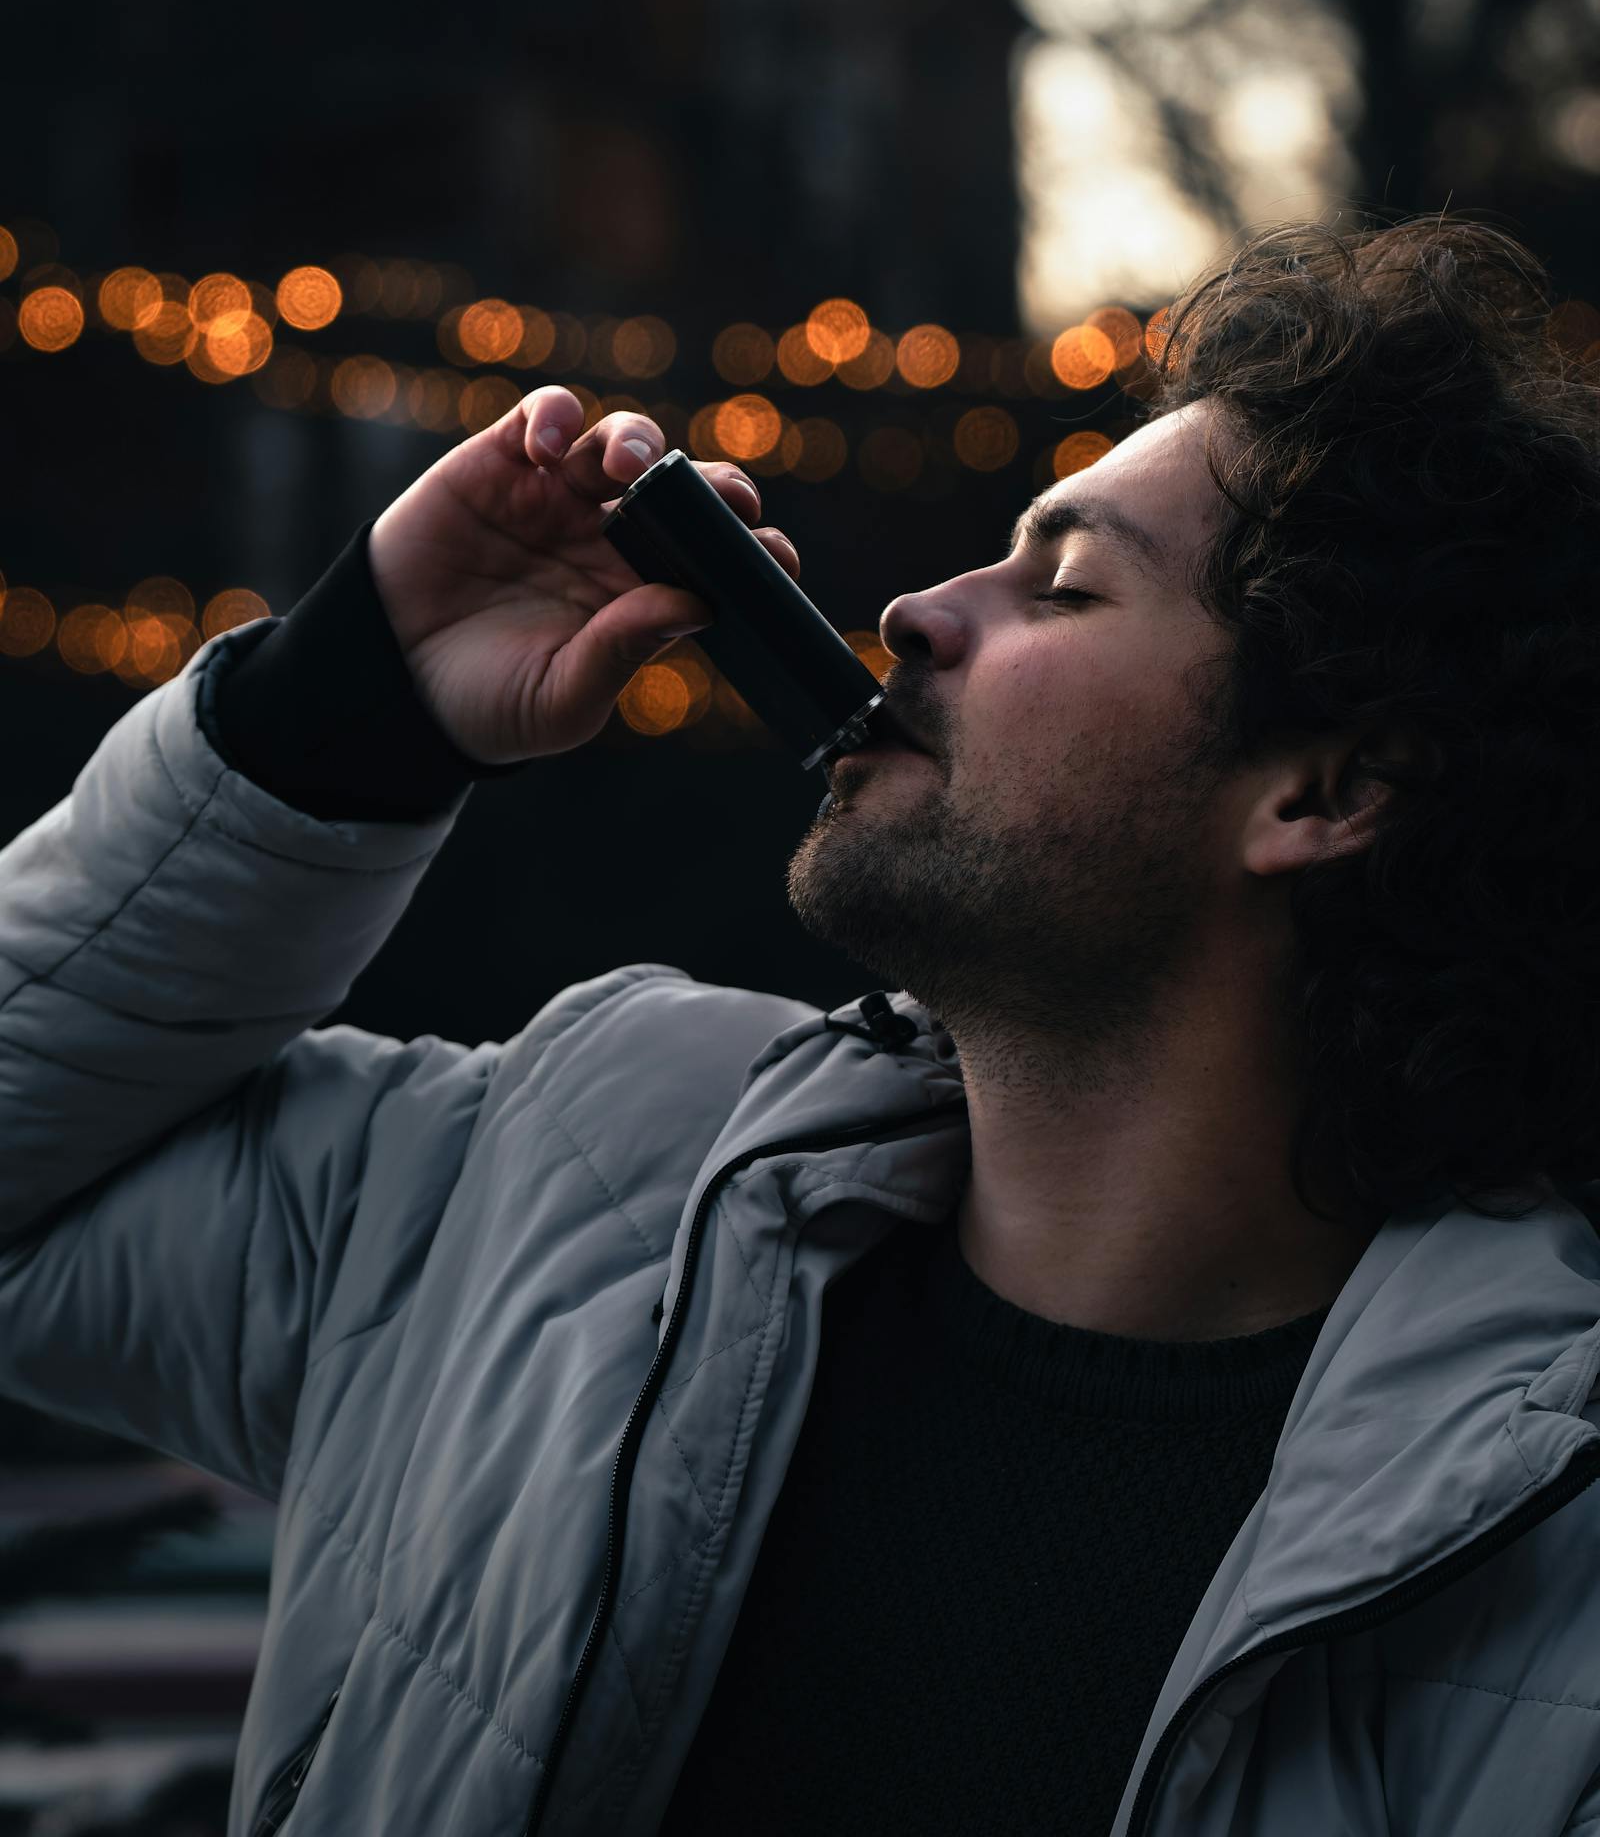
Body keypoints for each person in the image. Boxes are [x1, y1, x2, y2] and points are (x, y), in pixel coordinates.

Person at [2, 213, 1599, 1837]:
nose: (916, 607)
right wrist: (342, 710)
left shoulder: (1555, 1567)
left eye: (1066, 585)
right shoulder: (569, 1183)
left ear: (1326, 789)